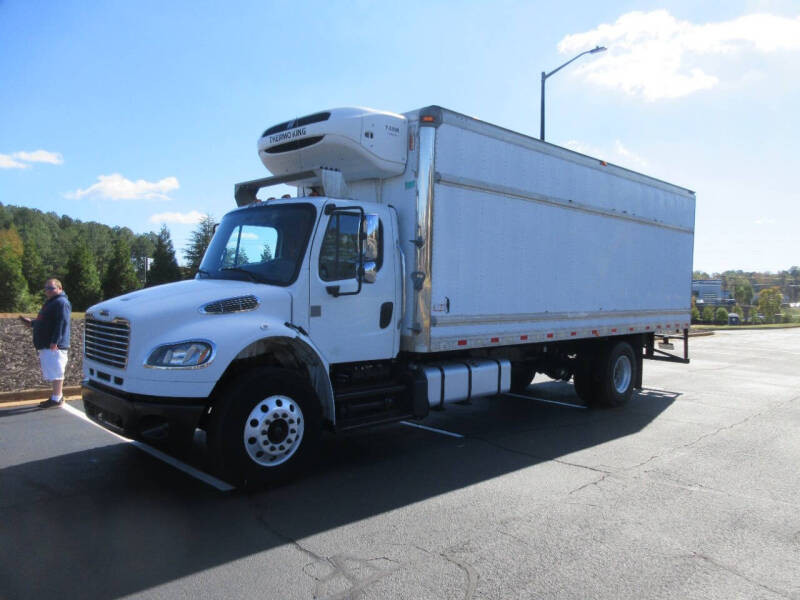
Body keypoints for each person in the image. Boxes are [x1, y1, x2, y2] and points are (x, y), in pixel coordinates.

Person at [19, 278, 72, 408]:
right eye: (46, 288)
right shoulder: (51, 303)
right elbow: (46, 322)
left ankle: (57, 398)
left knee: (57, 371)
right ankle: (56, 396)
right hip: (47, 343)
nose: (48, 291)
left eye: (51, 288)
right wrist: (31, 323)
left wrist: (55, 341)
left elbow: (62, 323)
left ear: (60, 288)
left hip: (54, 345)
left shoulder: (61, 302)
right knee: (53, 371)